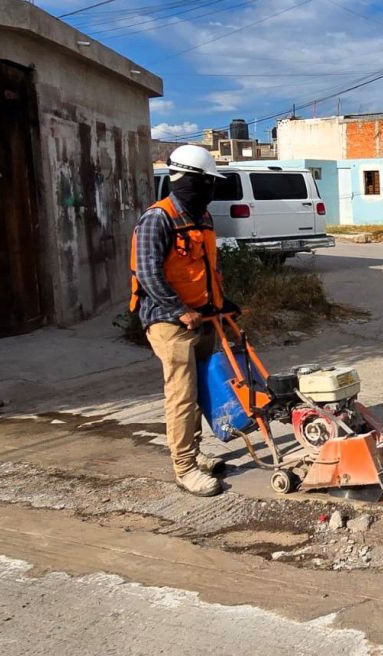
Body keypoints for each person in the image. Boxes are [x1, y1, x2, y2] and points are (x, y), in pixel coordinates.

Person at [129, 145, 230, 497]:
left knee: (202, 389)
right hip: (168, 321)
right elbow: (147, 273)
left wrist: (219, 302)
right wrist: (179, 310)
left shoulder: (202, 217)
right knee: (182, 395)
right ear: (187, 180)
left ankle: (195, 451)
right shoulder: (157, 219)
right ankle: (184, 467)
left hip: (202, 316)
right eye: (205, 182)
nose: (210, 190)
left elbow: (207, 266)